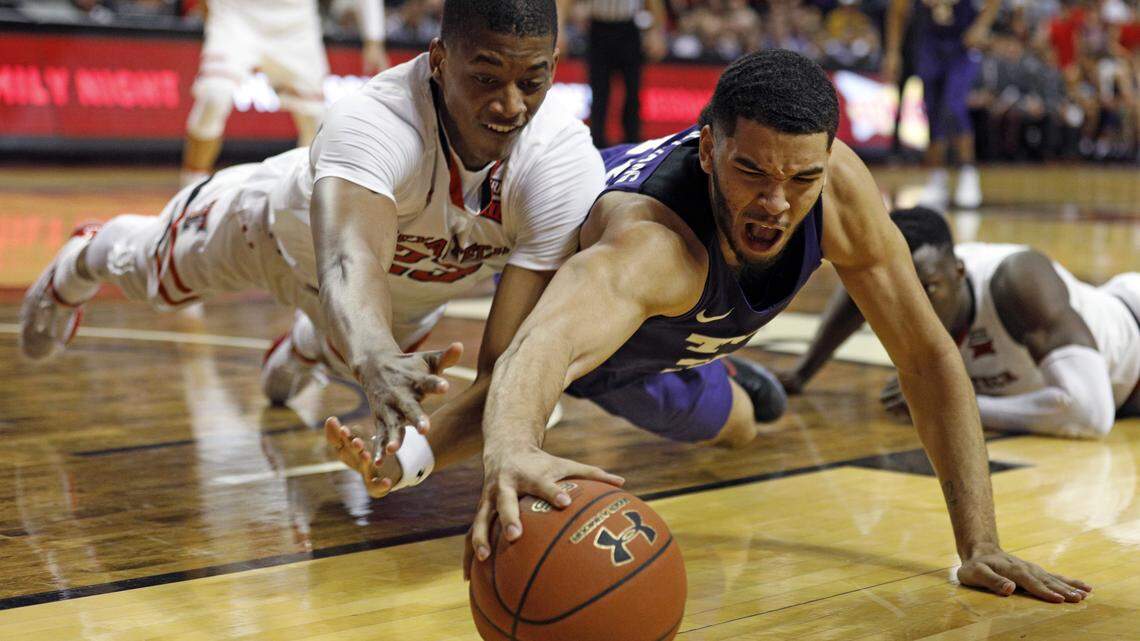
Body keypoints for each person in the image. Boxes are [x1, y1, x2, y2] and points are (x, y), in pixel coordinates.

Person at [465, 49, 1091, 603]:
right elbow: (537, 345)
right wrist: (515, 449)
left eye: (802, 178)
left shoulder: (839, 189)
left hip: (672, 344)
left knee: (741, 425)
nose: (777, 203)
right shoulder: (650, 245)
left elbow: (926, 358)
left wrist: (979, 545)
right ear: (708, 149)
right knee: (472, 425)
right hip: (580, 333)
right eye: (753, 173)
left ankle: (726, 368)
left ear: (825, 158)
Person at [20, 0, 607, 498]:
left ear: (554, 67)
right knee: (154, 275)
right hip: (271, 235)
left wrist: (407, 462)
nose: (509, 105)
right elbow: (350, 260)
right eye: (486, 77)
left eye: (531, 81)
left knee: (359, 349)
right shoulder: (377, 118)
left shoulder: (561, 164)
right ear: (439, 58)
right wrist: (371, 352)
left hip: (398, 310)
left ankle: (310, 348)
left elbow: (510, 367)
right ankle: (85, 255)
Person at [775, 207, 1140, 438]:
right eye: (901, 291)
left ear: (959, 271)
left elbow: (1091, 414)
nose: (914, 304)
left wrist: (946, 404)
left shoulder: (1018, 281)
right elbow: (859, 289)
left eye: (928, 288)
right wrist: (802, 373)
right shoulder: (912, 283)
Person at [180, 0, 391, 187]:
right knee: (214, 96)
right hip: (236, 16)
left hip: (295, 25)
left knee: (315, 120)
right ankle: (191, 187)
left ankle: (305, 194)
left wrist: (374, 39)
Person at [883, 0, 1000, 209]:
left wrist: (981, 25)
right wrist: (893, 52)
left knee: (954, 107)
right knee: (932, 112)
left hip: (962, 45)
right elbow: (897, 12)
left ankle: (968, 173)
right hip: (929, 45)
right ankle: (937, 178)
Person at [585, 0, 668, 147]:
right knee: (599, 92)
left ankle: (632, 142)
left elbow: (654, 2)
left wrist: (657, 33)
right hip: (599, 29)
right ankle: (596, 144)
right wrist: (561, 29)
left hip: (628, 29)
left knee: (632, 91)